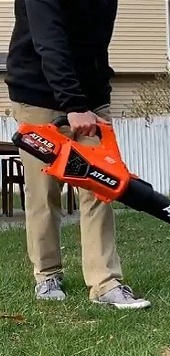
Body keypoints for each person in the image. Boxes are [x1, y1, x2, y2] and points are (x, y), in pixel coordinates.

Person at [4, 0, 150, 309]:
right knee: (44, 191)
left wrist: (97, 100)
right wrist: (72, 104)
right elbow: (49, 40)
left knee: (102, 186)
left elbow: (96, 43)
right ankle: (47, 275)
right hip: (36, 93)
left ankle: (105, 283)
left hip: (89, 100)